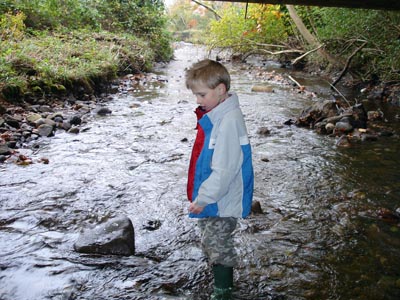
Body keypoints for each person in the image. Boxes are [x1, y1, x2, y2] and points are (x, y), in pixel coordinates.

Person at [185, 59, 254, 299]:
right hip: (216, 196)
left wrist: (203, 198)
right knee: (210, 235)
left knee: (219, 243)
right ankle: (216, 271)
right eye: (196, 95)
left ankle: (223, 291)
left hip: (222, 200)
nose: (198, 100)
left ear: (221, 90)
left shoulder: (228, 121)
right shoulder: (218, 114)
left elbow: (224, 170)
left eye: (201, 95)